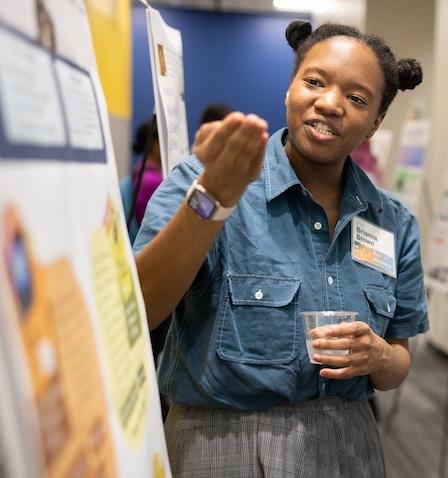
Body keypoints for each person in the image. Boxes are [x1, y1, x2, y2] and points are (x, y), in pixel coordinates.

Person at [133, 20, 427, 476]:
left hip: (350, 448)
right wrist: (216, 198)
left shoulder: (393, 222)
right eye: (314, 82)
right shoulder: (206, 179)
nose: (330, 104)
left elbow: (398, 361)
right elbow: (142, 308)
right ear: (289, 88)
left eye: (357, 98)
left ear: (376, 122)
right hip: (218, 444)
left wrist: (380, 356)